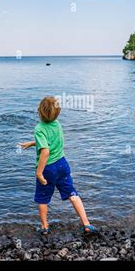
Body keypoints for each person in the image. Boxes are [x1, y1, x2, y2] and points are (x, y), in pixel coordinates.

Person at [19, 96, 98, 235]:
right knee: (72, 193)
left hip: (48, 168)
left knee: (42, 198)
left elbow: (45, 151)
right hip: (62, 164)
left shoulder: (39, 128)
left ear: (39, 112)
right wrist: (33, 143)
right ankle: (86, 224)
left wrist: (39, 173)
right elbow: (51, 141)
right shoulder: (57, 124)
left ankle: (44, 227)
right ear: (57, 113)